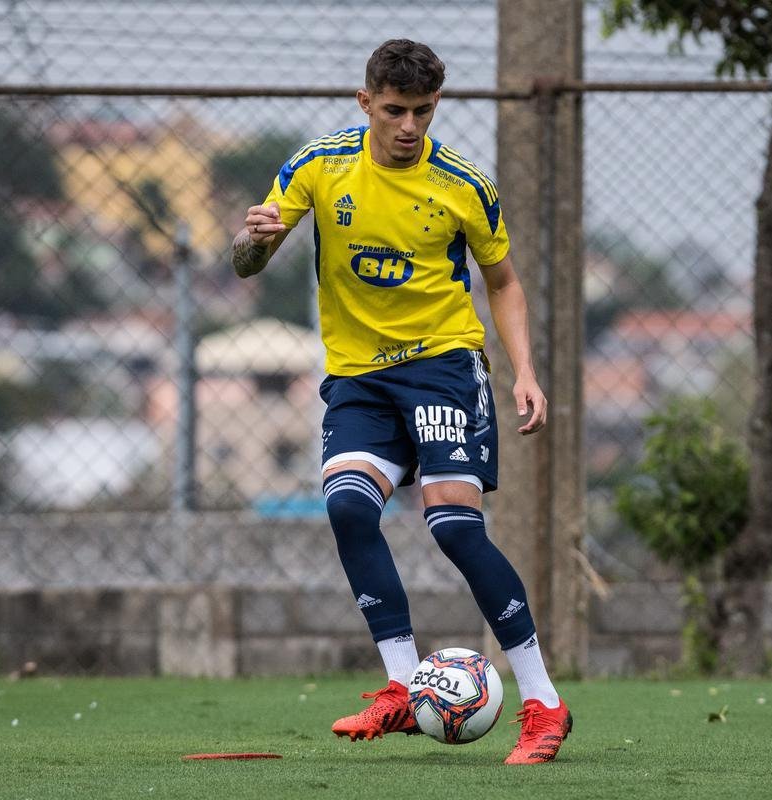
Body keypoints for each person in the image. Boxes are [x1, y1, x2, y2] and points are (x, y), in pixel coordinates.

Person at [230, 38, 570, 766]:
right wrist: (252, 241)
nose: (410, 125)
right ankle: (397, 689)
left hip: (445, 367)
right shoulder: (319, 166)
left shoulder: (462, 184)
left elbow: (503, 282)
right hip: (358, 377)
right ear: (365, 104)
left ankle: (543, 703)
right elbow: (248, 263)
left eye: (422, 110)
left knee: (452, 526)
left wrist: (525, 373)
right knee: (349, 506)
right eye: (394, 110)